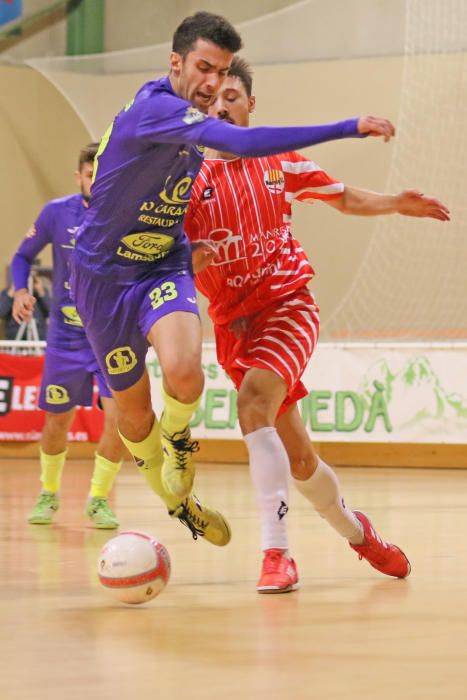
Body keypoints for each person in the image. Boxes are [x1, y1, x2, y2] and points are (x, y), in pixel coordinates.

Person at [68, 11, 396, 547]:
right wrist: (345, 125)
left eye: (221, 73)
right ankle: (180, 505)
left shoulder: (198, 124)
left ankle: (179, 438)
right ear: (175, 63)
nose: (213, 84)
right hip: (103, 278)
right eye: (203, 68)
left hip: (161, 263)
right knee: (131, 411)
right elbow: (244, 142)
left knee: (185, 372)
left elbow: (244, 152)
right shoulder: (157, 111)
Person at [185, 56, 450, 591]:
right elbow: (168, 260)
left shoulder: (278, 160)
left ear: (251, 105)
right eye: (209, 102)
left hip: (287, 305)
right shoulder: (185, 180)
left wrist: (395, 203)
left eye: (231, 98)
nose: (220, 108)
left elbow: (344, 197)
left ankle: (276, 555)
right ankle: (360, 534)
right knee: (301, 460)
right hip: (233, 325)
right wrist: (192, 259)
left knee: (253, 403)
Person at [11, 143, 125, 529]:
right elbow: (22, 256)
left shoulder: (128, 213)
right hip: (66, 339)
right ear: (79, 177)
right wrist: (21, 290)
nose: (97, 179)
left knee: (120, 421)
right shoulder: (56, 213)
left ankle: (98, 499)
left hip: (112, 338)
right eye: (90, 173)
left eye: (103, 172)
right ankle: (48, 492)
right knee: (57, 422)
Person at [0, 269, 50, 340]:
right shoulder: (6, 293)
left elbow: (51, 311)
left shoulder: (41, 292)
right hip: (14, 334)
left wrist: (41, 291)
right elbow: (1, 312)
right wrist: (15, 289)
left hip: (38, 334)